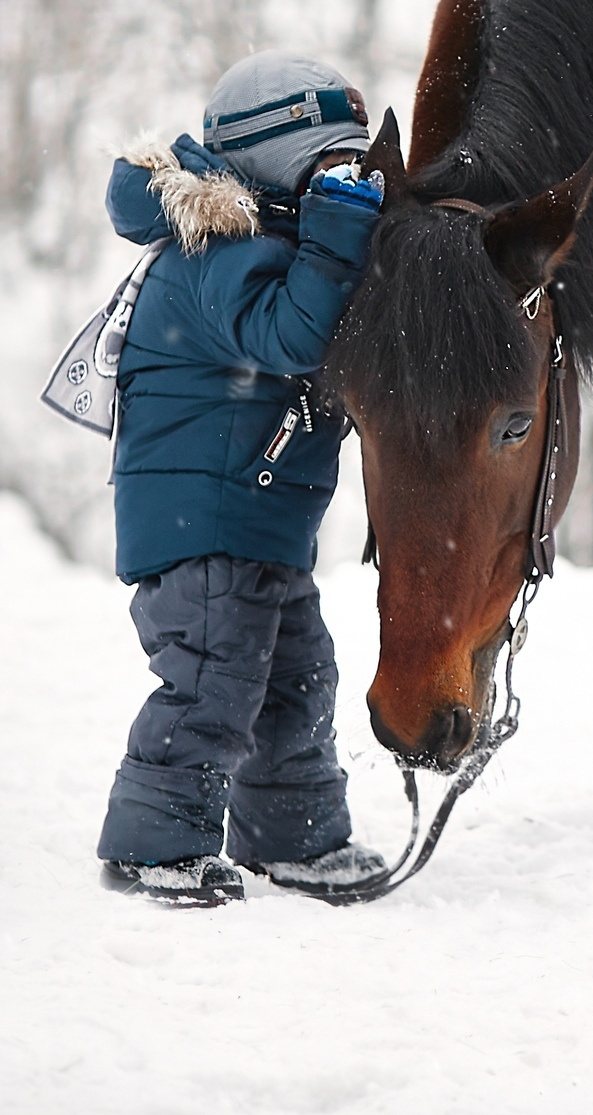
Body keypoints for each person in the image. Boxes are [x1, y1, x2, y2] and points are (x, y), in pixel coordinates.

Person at [93, 50, 386, 907]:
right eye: (331, 170)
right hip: (202, 521)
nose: (347, 187)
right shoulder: (216, 247)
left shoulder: (276, 244)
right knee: (212, 680)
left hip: (257, 522)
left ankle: (291, 836)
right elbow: (291, 337)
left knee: (298, 677)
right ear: (277, 160)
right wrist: (338, 233)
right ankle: (156, 841)